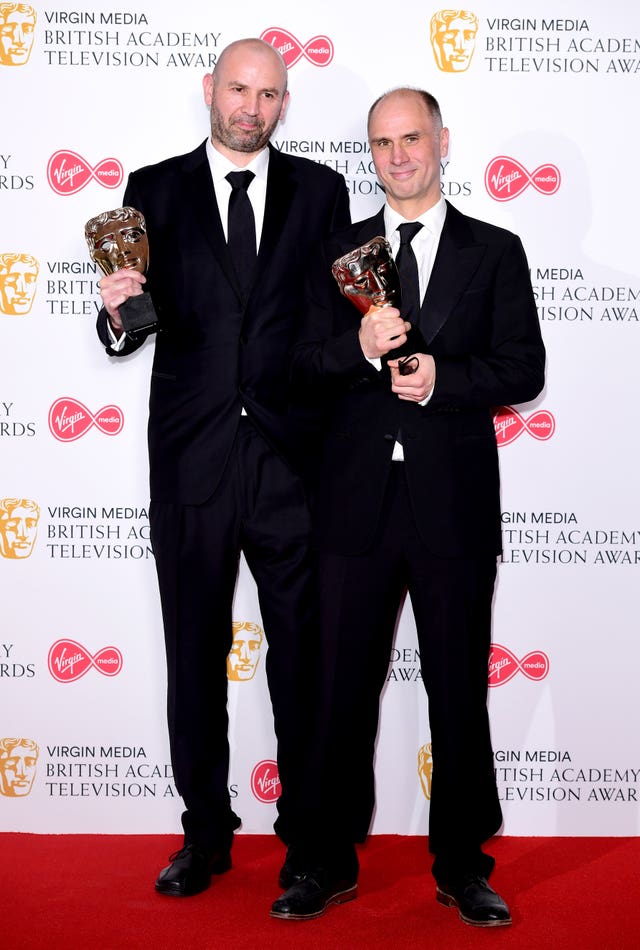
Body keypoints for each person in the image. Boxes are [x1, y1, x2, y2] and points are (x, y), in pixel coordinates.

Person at [271, 87, 545, 926]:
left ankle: (463, 864)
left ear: (442, 142)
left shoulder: (494, 250)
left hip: (452, 503)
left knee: (458, 688)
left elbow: (524, 368)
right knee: (339, 689)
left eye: (411, 138)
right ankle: (325, 860)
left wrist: (441, 382)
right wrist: (356, 349)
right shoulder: (337, 253)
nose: (397, 156)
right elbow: (297, 366)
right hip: (353, 503)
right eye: (382, 142)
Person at [96, 38, 350, 899]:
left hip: (292, 463)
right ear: (210, 89)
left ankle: (310, 840)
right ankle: (204, 834)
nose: (252, 107)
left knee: (303, 659)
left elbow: (332, 326)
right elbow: (132, 319)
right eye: (239, 89)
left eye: (269, 94)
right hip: (192, 461)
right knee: (195, 654)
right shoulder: (154, 189)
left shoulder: (321, 191)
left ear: (284, 103)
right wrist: (117, 313)